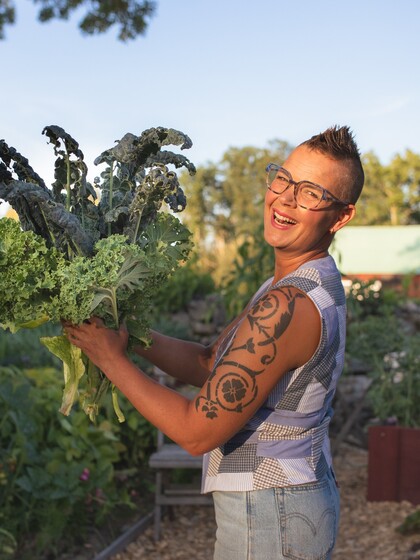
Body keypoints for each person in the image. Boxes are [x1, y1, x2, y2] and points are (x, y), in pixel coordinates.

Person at [64, 125, 364, 560]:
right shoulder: (289, 284)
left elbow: (195, 432)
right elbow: (210, 364)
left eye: (312, 193)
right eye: (284, 179)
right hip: (283, 504)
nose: (285, 199)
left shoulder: (292, 304)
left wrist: (109, 358)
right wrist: (129, 337)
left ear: (341, 216)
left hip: (273, 513)